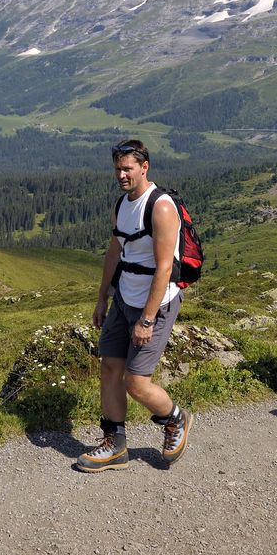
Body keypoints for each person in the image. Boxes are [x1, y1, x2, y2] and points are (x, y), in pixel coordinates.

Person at [74, 138, 194, 472]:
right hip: (124, 297)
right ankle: (116, 444)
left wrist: (147, 318)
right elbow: (115, 251)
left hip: (155, 303)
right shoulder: (122, 204)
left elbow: (165, 268)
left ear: (145, 167)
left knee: (136, 382)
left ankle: (175, 419)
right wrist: (102, 297)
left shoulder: (161, 206)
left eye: (128, 168)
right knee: (110, 367)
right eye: (117, 169)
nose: (122, 175)